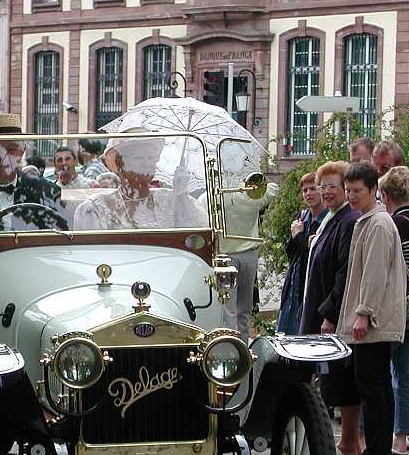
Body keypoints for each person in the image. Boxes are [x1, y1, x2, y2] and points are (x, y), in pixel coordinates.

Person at [337, 161, 407, 455]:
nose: (351, 197)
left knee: (372, 385)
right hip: (376, 319)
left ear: (373, 189)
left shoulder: (378, 224)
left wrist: (363, 313)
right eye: (348, 190)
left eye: (357, 191)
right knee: (376, 385)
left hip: (374, 322)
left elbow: (374, 275)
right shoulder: (370, 221)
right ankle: (377, 453)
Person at [300, 160, 363, 455]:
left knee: (341, 381)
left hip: (332, 313)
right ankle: (343, 442)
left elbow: (344, 272)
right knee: (330, 381)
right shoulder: (331, 219)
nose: (326, 192)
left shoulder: (347, 221)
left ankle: (349, 442)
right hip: (318, 307)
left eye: (332, 186)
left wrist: (329, 313)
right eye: (322, 186)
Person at [380, 166, 409, 455]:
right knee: (407, 374)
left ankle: (382, 432)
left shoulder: (395, 225)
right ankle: (402, 438)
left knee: (383, 373)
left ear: (385, 195)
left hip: (395, 307)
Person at [73, 134, 208, 231]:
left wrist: (181, 194)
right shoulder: (96, 206)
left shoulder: (168, 200)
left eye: (151, 158)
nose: (147, 164)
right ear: (120, 164)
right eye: (138, 158)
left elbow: (194, 232)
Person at [0, 114, 68, 232]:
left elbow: (62, 239)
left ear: (22, 151)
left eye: (11, 150)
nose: (3, 157)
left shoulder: (46, 191)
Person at [220, 176, 280, 341]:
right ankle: (244, 346)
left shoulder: (213, 196)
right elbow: (273, 188)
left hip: (225, 255)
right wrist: (259, 180)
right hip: (249, 253)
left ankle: (232, 346)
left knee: (228, 309)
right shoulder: (251, 192)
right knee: (244, 310)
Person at [277, 172, 326, 335]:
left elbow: (313, 258)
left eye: (313, 189)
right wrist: (295, 236)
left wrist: (298, 236)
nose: (308, 194)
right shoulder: (303, 217)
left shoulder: (325, 222)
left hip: (308, 293)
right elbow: (291, 254)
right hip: (292, 290)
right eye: (305, 190)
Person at [372, 140, 409, 215]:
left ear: (399, 168)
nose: (378, 172)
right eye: (374, 167)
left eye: (384, 168)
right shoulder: (368, 196)